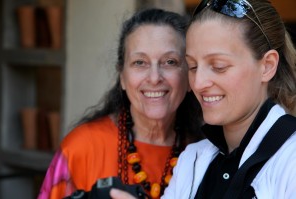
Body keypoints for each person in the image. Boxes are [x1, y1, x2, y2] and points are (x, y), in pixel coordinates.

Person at [110, 0, 296, 199]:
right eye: (192, 67)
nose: (198, 83)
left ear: (267, 66)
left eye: (218, 66)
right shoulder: (192, 159)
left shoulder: (290, 159)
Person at [38, 8, 203, 199]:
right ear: (122, 76)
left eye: (170, 62)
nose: (155, 77)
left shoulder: (205, 153)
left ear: (189, 74)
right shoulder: (80, 149)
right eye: (140, 62)